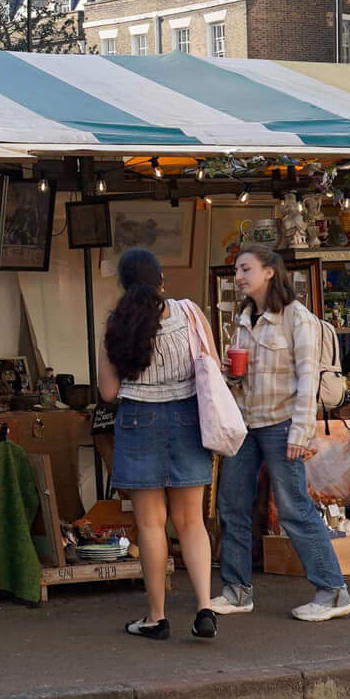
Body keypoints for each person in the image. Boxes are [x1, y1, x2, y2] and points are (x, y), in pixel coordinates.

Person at [213, 243, 350, 623]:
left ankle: (333, 591)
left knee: (293, 508)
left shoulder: (297, 318)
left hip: (282, 424)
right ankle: (236, 590)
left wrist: (301, 432)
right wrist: (232, 374)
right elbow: (238, 379)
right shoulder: (243, 317)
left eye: (245, 270)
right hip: (245, 424)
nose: (239, 277)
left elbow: (309, 379)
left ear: (269, 271)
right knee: (232, 504)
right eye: (237, 272)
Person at [95, 246, 219, 640]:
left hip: (138, 421)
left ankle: (156, 616)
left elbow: (108, 392)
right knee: (191, 522)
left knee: (151, 524)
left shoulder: (117, 324)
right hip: (187, 419)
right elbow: (211, 364)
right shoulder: (190, 312)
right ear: (162, 280)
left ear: (124, 286)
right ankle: (204, 609)